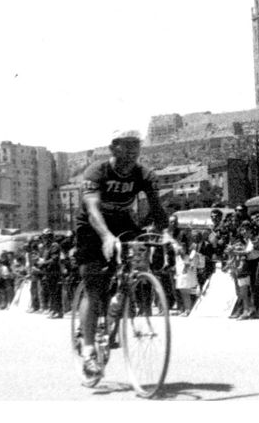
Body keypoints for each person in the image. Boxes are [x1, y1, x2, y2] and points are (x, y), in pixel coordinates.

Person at [73, 129, 168, 386]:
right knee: (94, 287)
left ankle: (120, 300)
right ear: (113, 147)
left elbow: (158, 209)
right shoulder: (97, 171)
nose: (133, 152)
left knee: (135, 267)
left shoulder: (144, 174)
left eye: (136, 146)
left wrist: (166, 233)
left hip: (124, 222)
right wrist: (105, 236)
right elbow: (92, 209)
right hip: (92, 226)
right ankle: (90, 350)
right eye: (127, 146)